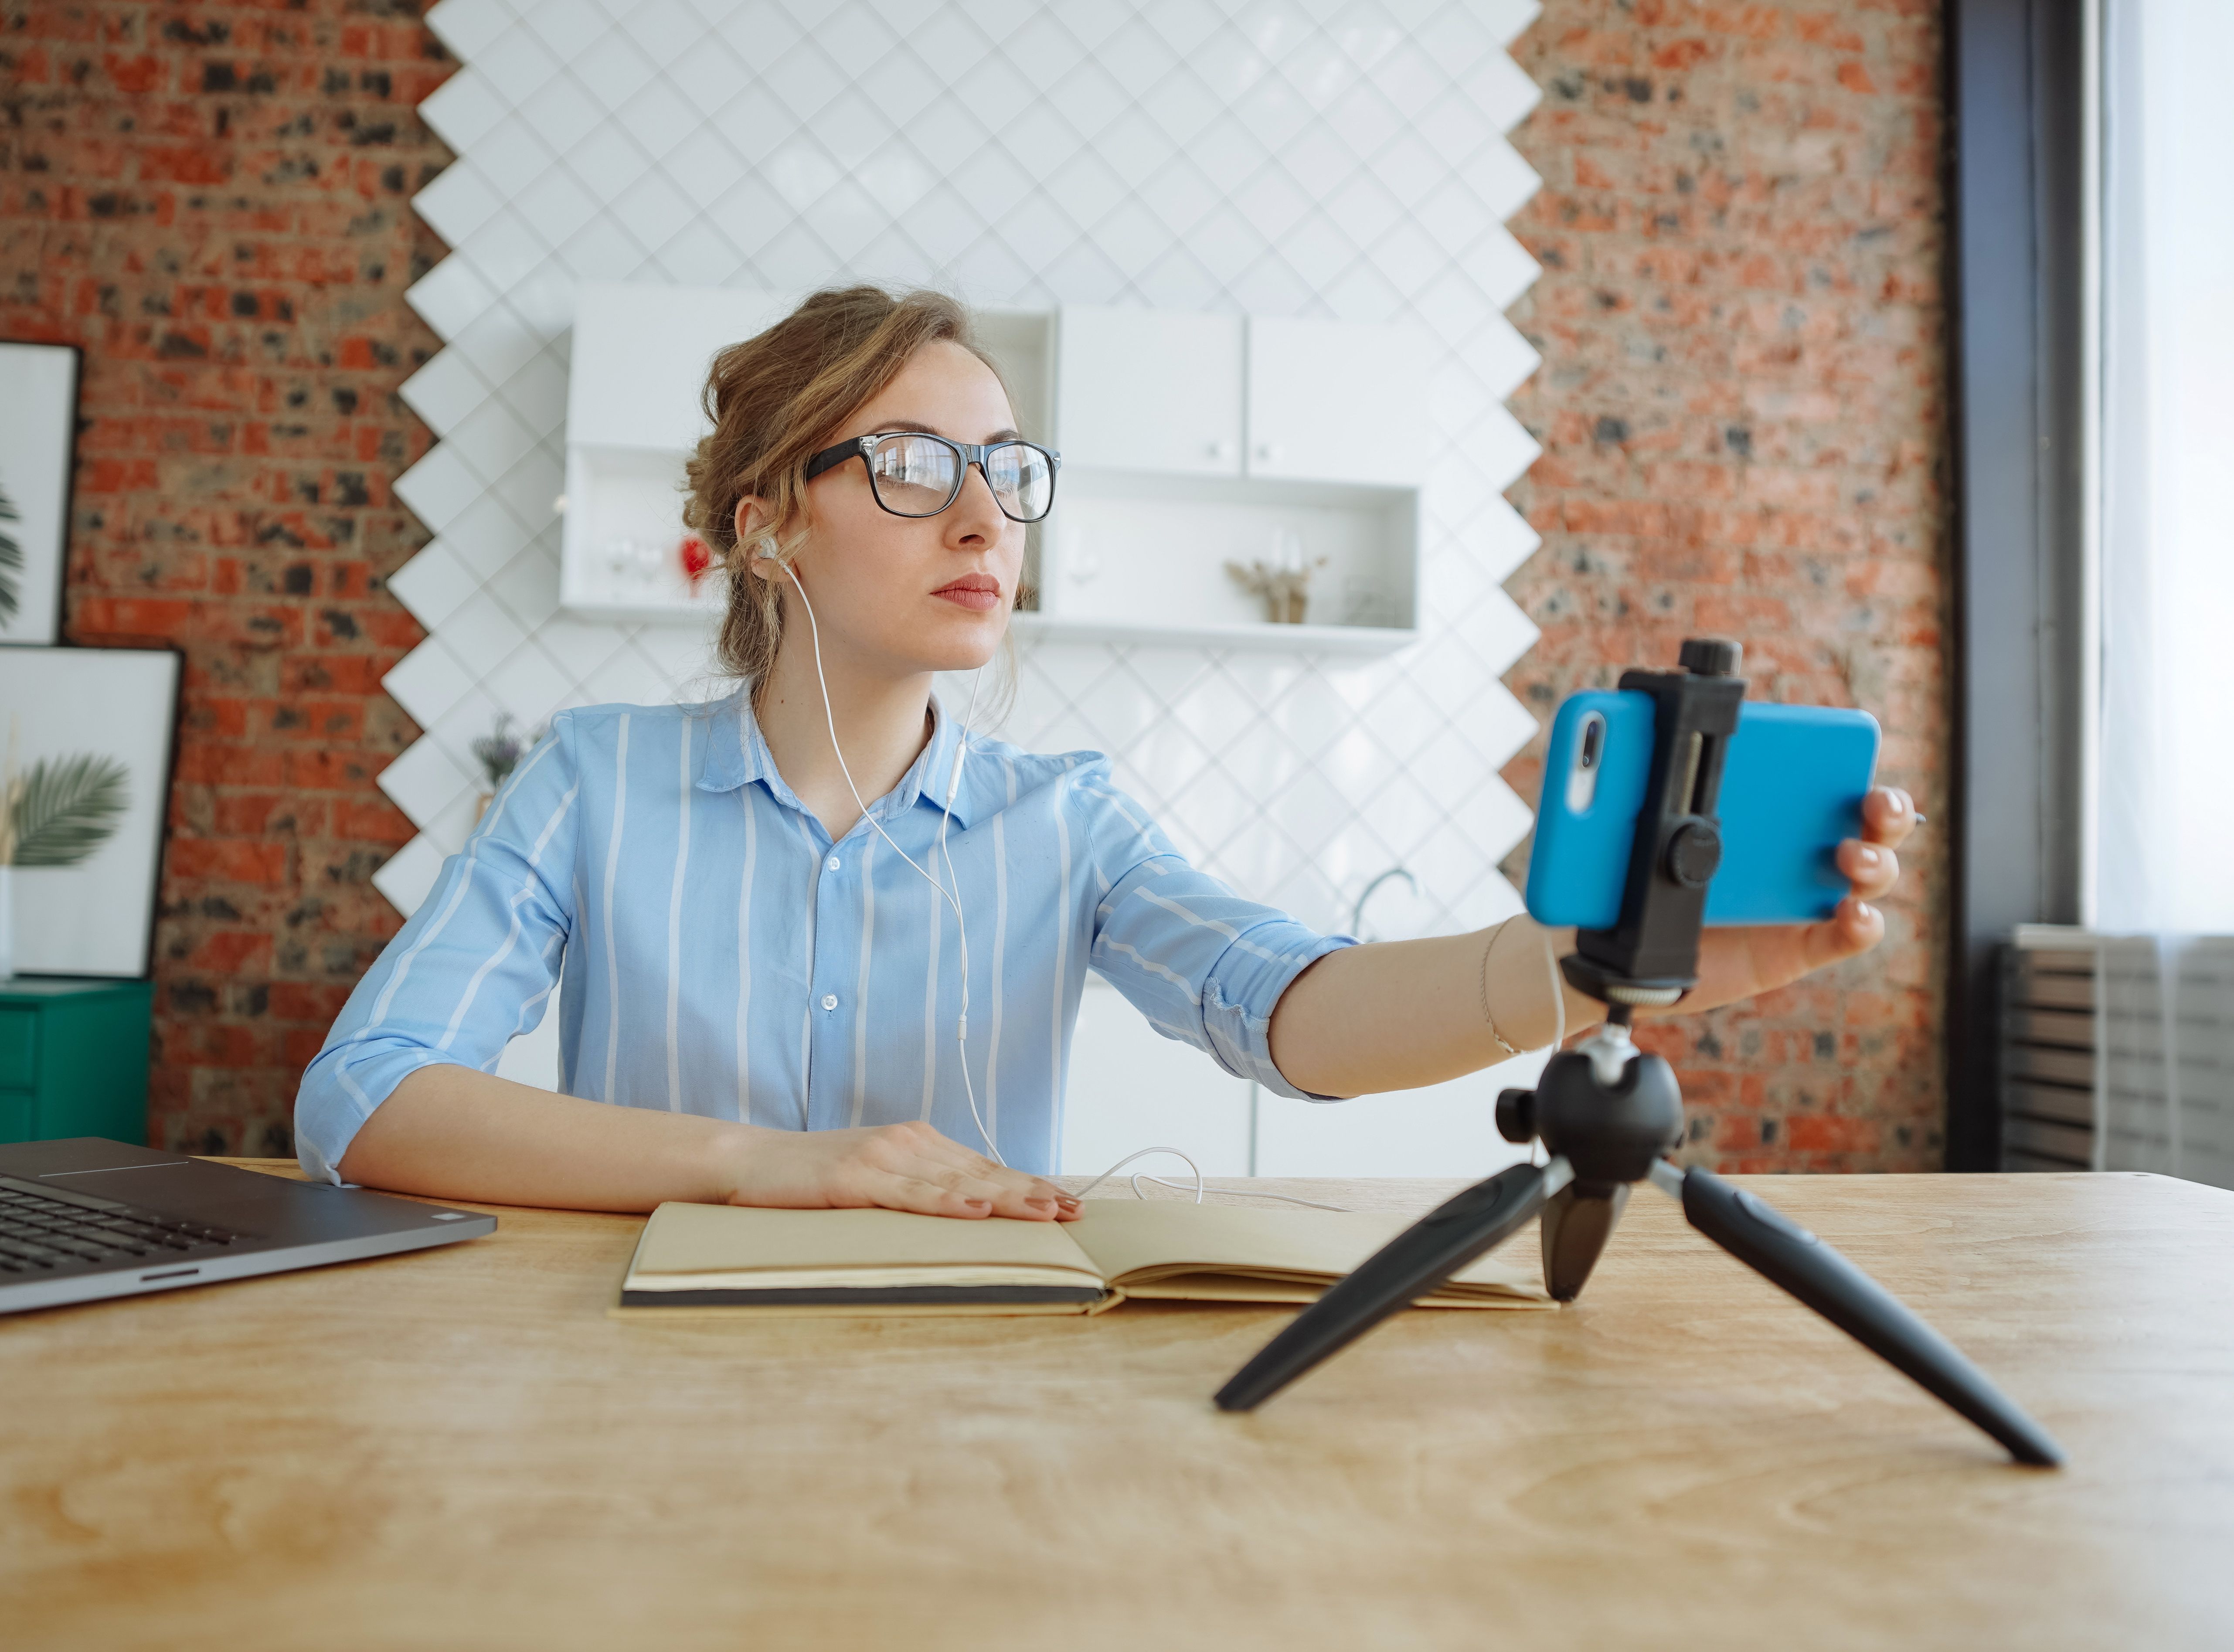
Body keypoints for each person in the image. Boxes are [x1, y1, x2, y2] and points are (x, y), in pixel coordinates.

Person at [296, 286, 1915, 1223]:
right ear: (766, 521)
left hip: (981, 1396)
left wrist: (1610, 965)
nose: (987, 514)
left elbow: (1302, 1016)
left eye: (1006, 467)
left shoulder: (1064, 820)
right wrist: (778, 1167)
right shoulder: (593, 780)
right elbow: (365, 1100)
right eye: (917, 465)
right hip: (633, 1384)